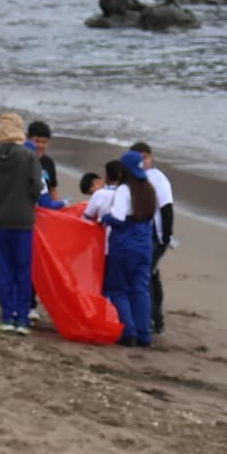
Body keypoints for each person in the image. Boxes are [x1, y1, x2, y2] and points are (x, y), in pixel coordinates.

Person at [0, 113, 43, 335]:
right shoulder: (29, 156)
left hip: (1, 219)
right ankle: (22, 318)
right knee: (23, 269)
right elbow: (37, 186)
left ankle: (7, 316)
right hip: (24, 220)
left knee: (4, 269)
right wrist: (30, 202)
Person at [98, 156, 157, 348]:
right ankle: (144, 334)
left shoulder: (124, 189)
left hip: (124, 246)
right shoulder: (148, 189)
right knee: (140, 290)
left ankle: (129, 332)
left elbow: (118, 216)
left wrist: (103, 218)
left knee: (117, 289)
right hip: (144, 245)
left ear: (124, 171)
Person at [131, 142, 175, 335]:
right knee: (152, 275)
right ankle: (157, 319)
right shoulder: (132, 178)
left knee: (145, 275)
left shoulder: (158, 180)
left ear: (151, 158)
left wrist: (166, 236)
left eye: (145, 158)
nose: (142, 162)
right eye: (138, 158)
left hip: (156, 236)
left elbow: (167, 208)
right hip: (140, 235)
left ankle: (148, 317)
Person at [25, 120, 61, 207]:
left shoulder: (49, 163)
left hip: (45, 208)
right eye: (37, 141)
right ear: (28, 139)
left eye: (44, 142)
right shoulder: (21, 161)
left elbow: (52, 189)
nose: (40, 145)